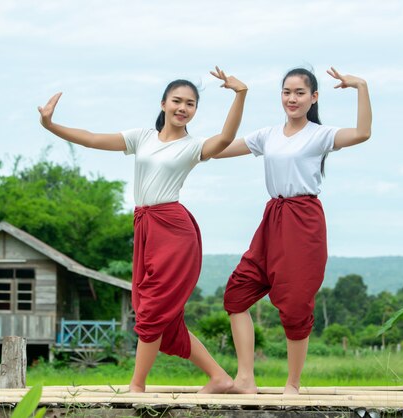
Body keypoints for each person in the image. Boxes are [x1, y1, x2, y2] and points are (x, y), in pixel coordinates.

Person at [38, 67, 248, 393]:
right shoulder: (142, 137)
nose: (183, 107)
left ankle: (136, 386)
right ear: (164, 103)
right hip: (147, 228)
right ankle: (220, 378)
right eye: (177, 100)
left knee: (151, 310)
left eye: (190, 104)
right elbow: (93, 139)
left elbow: (225, 138)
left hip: (174, 232)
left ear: (194, 110)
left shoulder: (193, 146)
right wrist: (51, 126)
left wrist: (240, 94)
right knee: (163, 315)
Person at [216, 67, 372, 395]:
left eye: (300, 93)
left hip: (304, 221)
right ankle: (245, 378)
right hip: (273, 217)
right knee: (237, 294)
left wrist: (361, 86)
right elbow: (218, 148)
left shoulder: (319, 134)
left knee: (297, 302)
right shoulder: (267, 135)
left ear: (314, 97)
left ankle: (293, 383)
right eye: (287, 92)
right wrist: (238, 95)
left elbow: (361, 133)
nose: (292, 98)